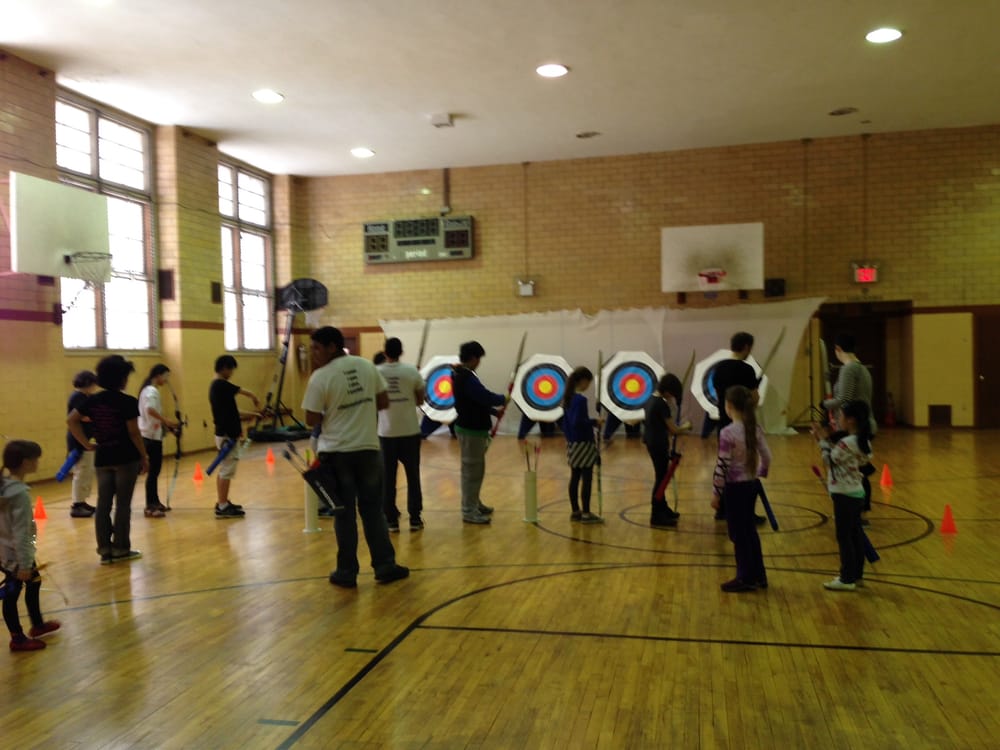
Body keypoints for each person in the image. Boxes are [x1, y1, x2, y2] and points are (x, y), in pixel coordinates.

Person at [303, 326, 408, 587]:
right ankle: (385, 565)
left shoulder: (320, 377)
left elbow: (310, 419)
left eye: (317, 348)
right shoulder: (366, 366)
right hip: (368, 450)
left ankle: (347, 571)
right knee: (373, 511)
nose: (313, 353)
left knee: (344, 514)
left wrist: (336, 410)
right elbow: (383, 402)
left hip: (337, 454)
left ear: (332, 346)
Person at [68, 355, 148, 564]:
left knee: (103, 504)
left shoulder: (92, 401)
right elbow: (134, 433)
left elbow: (71, 420)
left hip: (103, 457)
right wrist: (143, 456)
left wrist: (86, 443)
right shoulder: (128, 401)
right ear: (121, 378)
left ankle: (104, 549)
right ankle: (121, 548)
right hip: (126, 457)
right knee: (122, 505)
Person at [1, 440, 60, 651]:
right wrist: (25, 563)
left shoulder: (5, 486)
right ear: (26, 462)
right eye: (35, 459)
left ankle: (37, 625)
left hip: (9, 550)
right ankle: (17, 638)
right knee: (11, 593)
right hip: (15, 554)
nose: (37, 463)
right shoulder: (18, 494)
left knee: (34, 582)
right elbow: (20, 532)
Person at [712, 385, 771, 592]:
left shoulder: (728, 433)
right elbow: (767, 457)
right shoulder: (754, 428)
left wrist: (716, 492)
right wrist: (759, 474)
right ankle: (758, 575)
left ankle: (745, 577)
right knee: (749, 531)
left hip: (735, 488)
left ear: (728, 407)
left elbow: (722, 464)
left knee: (738, 533)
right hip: (751, 485)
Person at [812, 400, 873, 591]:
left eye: (840, 416)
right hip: (857, 492)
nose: (838, 419)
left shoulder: (847, 443)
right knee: (855, 535)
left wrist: (820, 441)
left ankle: (847, 578)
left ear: (851, 420)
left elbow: (830, 460)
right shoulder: (863, 441)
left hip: (844, 495)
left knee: (844, 536)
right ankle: (857, 575)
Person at [823, 333, 878, 522]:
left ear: (838, 349)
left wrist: (823, 405)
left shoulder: (849, 370)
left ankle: (858, 513)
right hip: (862, 424)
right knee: (860, 469)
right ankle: (859, 512)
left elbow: (844, 400)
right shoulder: (862, 369)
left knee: (856, 471)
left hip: (856, 426)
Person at [711, 331, 765, 525]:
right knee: (745, 467)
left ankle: (723, 510)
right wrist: (755, 388)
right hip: (744, 426)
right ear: (746, 347)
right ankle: (747, 512)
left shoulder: (718, 369)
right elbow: (754, 402)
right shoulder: (747, 370)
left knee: (726, 465)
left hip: (724, 424)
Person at [451, 341, 507, 524]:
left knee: (476, 470)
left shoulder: (463, 374)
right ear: (473, 358)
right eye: (479, 359)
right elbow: (483, 396)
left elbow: (474, 401)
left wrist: (493, 411)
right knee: (471, 471)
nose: (479, 362)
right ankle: (469, 510)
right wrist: (502, 399)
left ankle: (474, 503)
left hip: (472, 429)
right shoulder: (465, 377)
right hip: (470, 430)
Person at [377, 337, 426, 532]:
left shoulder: (377, 371)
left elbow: (375, 400)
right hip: (410, 432)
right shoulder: (411, 371)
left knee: (388, 478)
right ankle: (415, 518)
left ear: (385, 352)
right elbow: (420, 400)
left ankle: (391, 520)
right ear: (401, 351)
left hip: (386, 433)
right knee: (413, 476)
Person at [208, 355, 260, 519]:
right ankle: (223, 505)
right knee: (226, 470)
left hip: (226, 434)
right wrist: (255, 399)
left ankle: (222, 501)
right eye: (230, 369)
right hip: (226, 436)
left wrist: (254, 414)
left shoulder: (219, 388)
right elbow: (246, 392)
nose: (231, 373)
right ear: (224, 368)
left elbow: (233, 412)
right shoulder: (220, 384)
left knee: (225, 469)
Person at [643, 373, 692, 527]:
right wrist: (687, 426)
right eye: (672, 394)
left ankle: (663, 508)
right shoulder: (661, 404)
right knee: (661, 480)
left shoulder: (650, 399)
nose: (672, 397)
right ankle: (656, 515)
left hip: (652, 442)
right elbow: (673, 430)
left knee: (661, 477)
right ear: (668, 391)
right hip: (658, 444)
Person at [138, 364, 179, 519]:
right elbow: (150, 410)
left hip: (151, 435)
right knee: (153, 472)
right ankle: (150, 506)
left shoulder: (148, 390)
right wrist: (167, 421)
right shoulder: (151, 390)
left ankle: (154, 502)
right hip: (150, 438)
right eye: (166, 376)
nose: (167, 380)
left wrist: (169, 428)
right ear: (158, 375)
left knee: (154, 473)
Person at [562, 367, 602, 523]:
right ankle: (586, 513)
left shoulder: (567, 398)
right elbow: (578, 422)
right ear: (583, 380)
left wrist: (570, 439)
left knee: (575, 477)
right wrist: (595, 422)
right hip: (584, 443)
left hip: (572, 443)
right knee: (587, 478)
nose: (588, 386)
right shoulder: (580, 400)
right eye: (588, 382)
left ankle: (576, 511)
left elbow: (566, 424)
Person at [66, 370, 99, 518]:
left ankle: (82, 501)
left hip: (86, 439)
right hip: (78, 440)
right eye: (93, 384)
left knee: (87, 471)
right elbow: (84, 417)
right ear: (87, 383)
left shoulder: (85, 397)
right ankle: (77, 504)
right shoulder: (77, 397)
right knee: (81, 471)